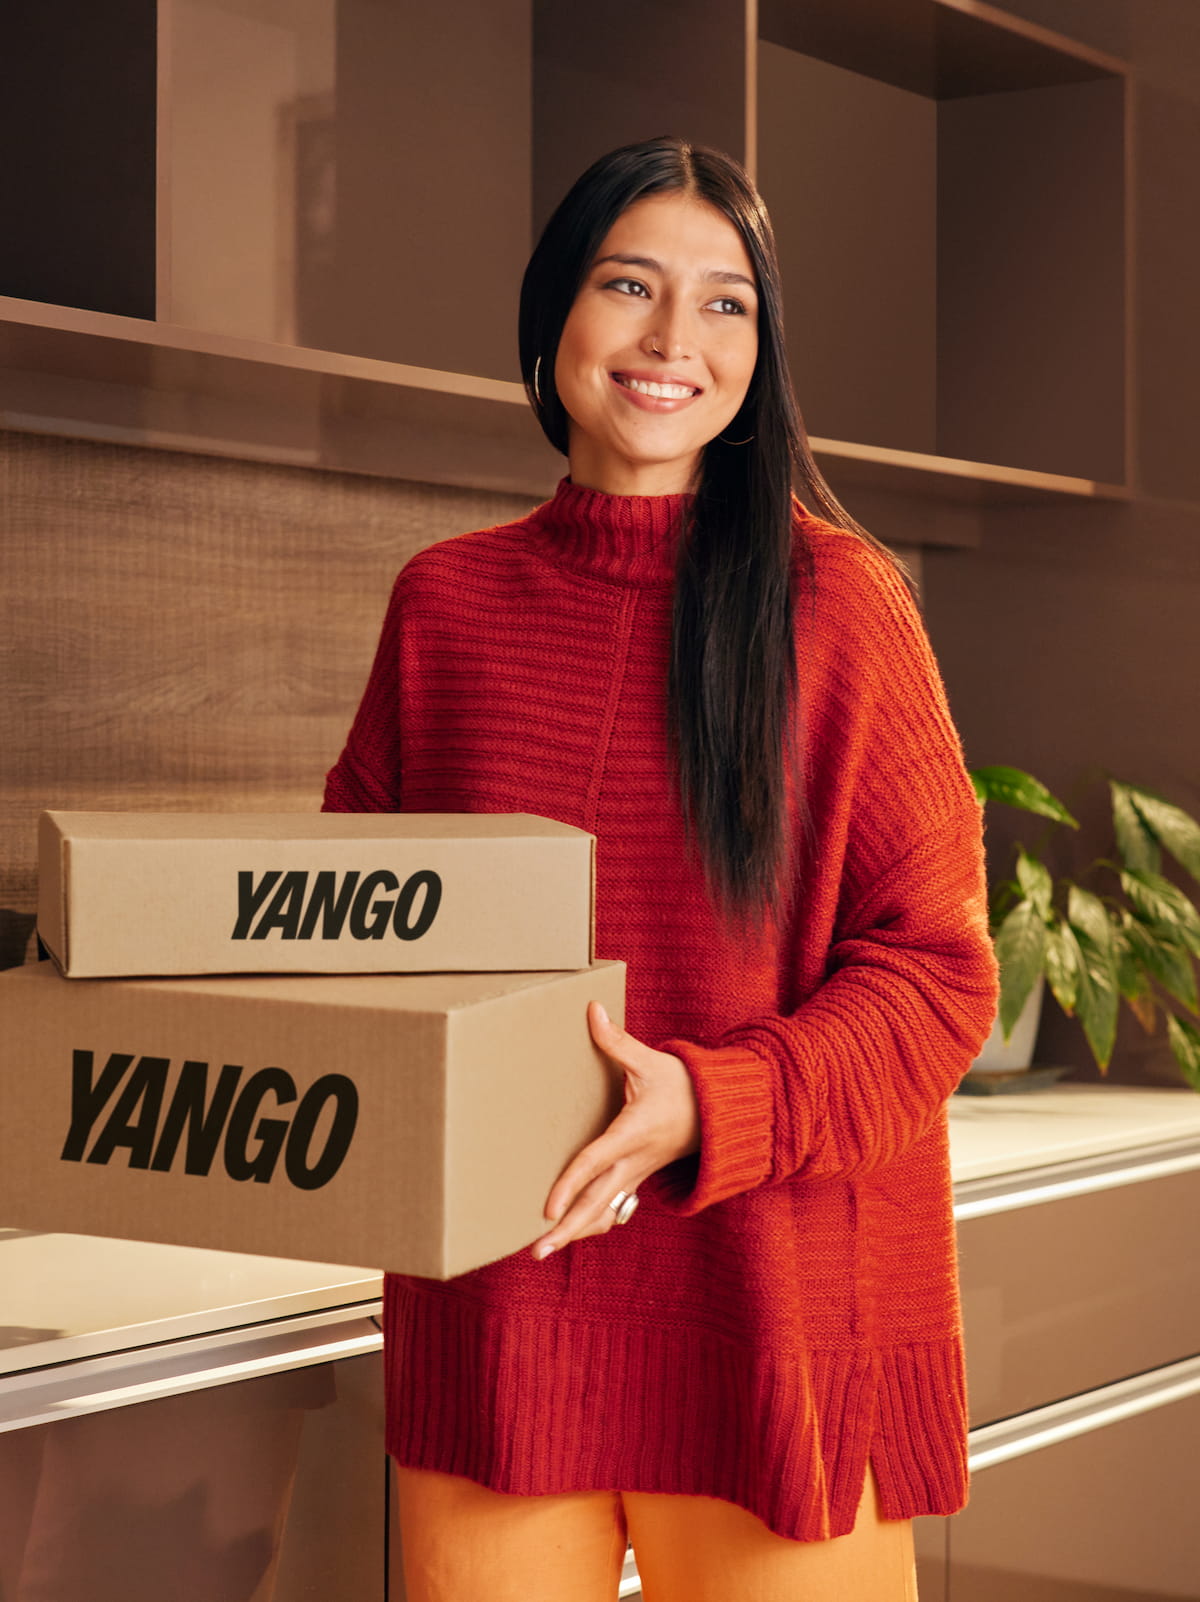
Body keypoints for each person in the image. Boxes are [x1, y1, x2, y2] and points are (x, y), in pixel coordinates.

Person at [323, 135, 998, 1602]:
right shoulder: (445, 606)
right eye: (631, 285)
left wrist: (711, 1098)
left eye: (725, 303)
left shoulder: (843, 605)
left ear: (761, 350)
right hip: (498, 1322)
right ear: (556, 309)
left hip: (774, 1316)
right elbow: (346, 951)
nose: (672, 341)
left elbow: (940, 979)